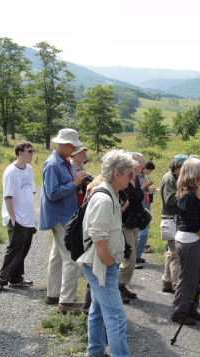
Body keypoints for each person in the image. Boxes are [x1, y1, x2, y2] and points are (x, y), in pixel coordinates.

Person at [77, 149, 135, 357]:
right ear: (117, 174)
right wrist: (111, 264)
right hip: (100, 266)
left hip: (99, 265)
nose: (133, 178)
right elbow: (98, 237)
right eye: (130, 173)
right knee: (117, 318)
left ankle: (95, 352)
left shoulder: (110, 193)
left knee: (97, 311)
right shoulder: (104, 198)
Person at [40, 129, 90, 315]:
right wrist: (75, 183)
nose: (75, 148)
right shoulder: (53, 164)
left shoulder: (62, 162)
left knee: (57, 256)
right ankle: (66, 302)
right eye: (72, 145)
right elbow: (52, 193)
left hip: (64, 214)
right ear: (62, 144)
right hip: (61, 215)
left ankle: (53, 294)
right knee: (72, 257)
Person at [0, 141, 37, 293]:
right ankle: (0, 281)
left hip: (28, 216)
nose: (32, 153)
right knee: (14, 249)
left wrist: (33, 216)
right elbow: (7, 197)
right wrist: (12, 217)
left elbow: (30, 194)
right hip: (16, 217)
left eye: (33, 151)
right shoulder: (11, 171)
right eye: (29, 151)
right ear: (20, 153)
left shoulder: (29, 169)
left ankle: (16, 278)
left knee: (24, 248)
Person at [170, 157, 200, 325]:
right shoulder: (187, 195)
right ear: (195, 173)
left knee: (199, 276)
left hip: (198, 239)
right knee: (188, 278)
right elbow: (193, 223)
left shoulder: (198, 191)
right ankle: (179, 312)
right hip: (189, 242)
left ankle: (191, 309)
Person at [117, 152, 145, 302]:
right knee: (129, 258)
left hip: (135, 223)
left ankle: (122, 286)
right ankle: (117, 287)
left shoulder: (137, 179)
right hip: (125, 224)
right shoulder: (125, 180)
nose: (143, 164)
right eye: (140, 162)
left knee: (129, 258)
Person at [160, 154, 188, 293]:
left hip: (176, 219)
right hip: (171, 219)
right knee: (176, 253)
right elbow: (169, 199)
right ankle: (178, 286)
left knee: (171, 252)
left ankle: (167, 281)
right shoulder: (169, 178)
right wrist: (186, 193)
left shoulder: (176, 177)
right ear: (178, 166)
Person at [136, 161, 156, 263]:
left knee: (144, 230)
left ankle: (137, 256)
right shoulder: (136, 176)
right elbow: (137, 190)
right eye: (149, 170)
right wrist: (145, 186)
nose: (150, 172)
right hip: (140, 204)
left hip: (146, 202)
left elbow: (144, 190)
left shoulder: (143, 176)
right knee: (142, 232)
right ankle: (135, 257)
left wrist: (149, 189)